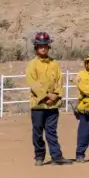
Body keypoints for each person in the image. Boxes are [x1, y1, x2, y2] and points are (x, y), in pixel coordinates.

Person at [25, 32, 71, 166]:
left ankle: (56, 157)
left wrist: (56, 95)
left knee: (51, 131)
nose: (43, 48)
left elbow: (59, 81)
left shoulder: (54, 64)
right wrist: (45, 97)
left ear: (48, 47)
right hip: (39, 105)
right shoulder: (32, 64)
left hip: (53, 105)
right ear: (36, 48)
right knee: (38, 132)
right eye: (40, 46)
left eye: (45, 46)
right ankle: (39, 156)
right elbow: (32, 82)